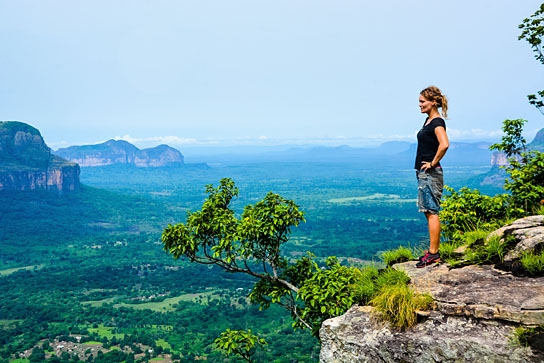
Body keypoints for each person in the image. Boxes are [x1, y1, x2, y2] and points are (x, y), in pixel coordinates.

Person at [414, 86, 449, 268]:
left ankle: (434, 254)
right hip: (425, 173)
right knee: (429, 211)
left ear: (433, 102)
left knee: (432, 212)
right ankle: (432, 252)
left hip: (430, 173)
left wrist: (432, 163)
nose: (419, 105)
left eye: (422, 101)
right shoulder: (429, 121)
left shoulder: (437, 122)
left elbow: (444, 144)